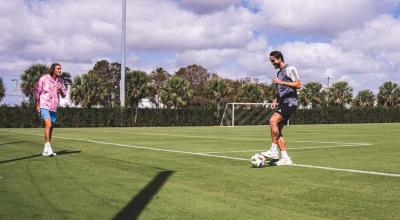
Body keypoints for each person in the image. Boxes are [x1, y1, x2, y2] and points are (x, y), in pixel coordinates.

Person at [262, 51, 301, 165]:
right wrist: (275, 100)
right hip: (283, 102)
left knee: (272, 120)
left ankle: (274, 151)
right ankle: (285, 158)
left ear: (280, 59)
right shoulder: (279, 73)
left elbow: (298, 84)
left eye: (273, 60)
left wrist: (281, 82)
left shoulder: (290, 69)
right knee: (277, 129)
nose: (272, 63)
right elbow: (281, 91)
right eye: (271, 61)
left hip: (290, 102)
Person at [34, 63, 66, 157]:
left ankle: (45, 150)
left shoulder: (61, 81)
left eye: (60, 69)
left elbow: (64, 94)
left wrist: (59, 89)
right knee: (48, 124)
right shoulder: (44, 78)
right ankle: (49, 147)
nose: (60, 70)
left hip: (54, 107)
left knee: (51, 127)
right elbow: (37, 91)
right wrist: (37, 105)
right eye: (58, 69)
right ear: (53, 69)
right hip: (44, 105)